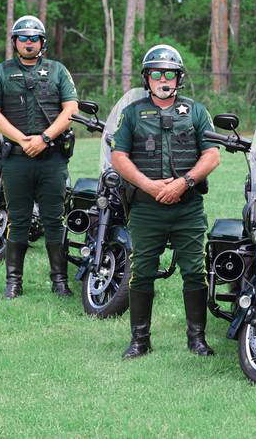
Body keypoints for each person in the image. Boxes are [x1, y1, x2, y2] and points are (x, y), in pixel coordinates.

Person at [111, 44, 220, 359]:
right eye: (157, 74)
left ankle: (197, 339)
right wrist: (147, 184)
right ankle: (139, 341)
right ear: (147, 78)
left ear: (179, 77)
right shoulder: (132, 113)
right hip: (146, 208)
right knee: (142, 270)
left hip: (187, 206)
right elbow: (119, 156)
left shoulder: (196, 111)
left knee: (194, 271)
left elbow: (211, 156)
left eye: (169, 73)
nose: (163, 79)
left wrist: (184, 182)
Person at [0, 15, 79, 298]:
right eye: (23, 38)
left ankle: (59, 281)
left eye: (33, 38)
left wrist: (45, 138)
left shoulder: (58, 70)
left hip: (52, 158)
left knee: (54, 218)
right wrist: (21, 139)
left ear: (42, 43)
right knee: (18, 218)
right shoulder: (1, 72)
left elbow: (70, 109)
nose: (28, 43)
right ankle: (14, 282)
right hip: (16, 157)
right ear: (15, 42)